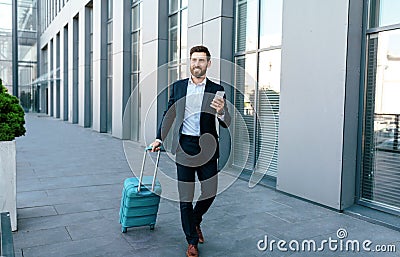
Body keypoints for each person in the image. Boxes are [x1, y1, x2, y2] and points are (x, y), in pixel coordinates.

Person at [150, 45, 231, 257]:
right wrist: (159, 137)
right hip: (185, 146)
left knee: (210, 191)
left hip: (208, 147)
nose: (197, 64)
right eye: (194, 60)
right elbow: (169, 114)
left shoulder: (217, 89)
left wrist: (222, 112)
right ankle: (191, 241)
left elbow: (226, 122)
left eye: (201, 60)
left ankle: (195, 221)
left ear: (208, 64)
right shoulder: (177, 87)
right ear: (190, 62)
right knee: (185, 197)